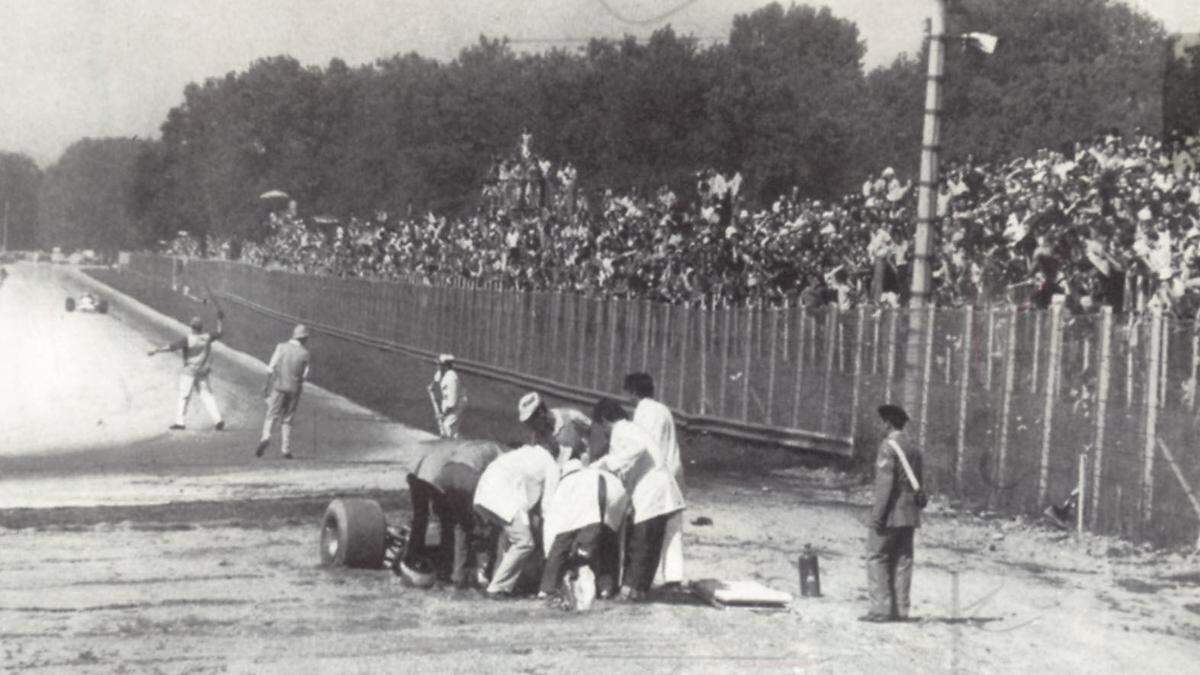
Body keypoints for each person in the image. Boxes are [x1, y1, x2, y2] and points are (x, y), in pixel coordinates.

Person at [590, 397, 685, 602]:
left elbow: (638, 449)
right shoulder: (631, 429)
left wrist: (609, 463)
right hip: (657, 490)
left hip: (652, 491)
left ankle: (631, 591)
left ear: (605, 420)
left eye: (601, 427)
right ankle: (639, 590)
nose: (604, 433)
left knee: (641, 541)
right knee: (650, 542)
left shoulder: (621, 430)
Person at [472, 392, 560, 598]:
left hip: (485, 490)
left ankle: (501, 582)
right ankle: (497, 588)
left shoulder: (527, 453)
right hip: (502, 495)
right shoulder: (551, 465)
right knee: (525, 542)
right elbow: (548, 508)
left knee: (513, 539)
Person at [405, 440, 503, 587]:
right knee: (451, 522)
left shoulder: (459, 445)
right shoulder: (496, 451)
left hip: (420, 473)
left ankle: (413, 557)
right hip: (438, 475)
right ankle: (449, 566)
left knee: (421, 516)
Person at [862, 404, 925, 622]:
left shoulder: (888, 446)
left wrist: (877, 516)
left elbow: (885, 485)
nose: (880, 426)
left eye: (881, 422)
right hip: (910, 514)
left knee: (877, 556)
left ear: (888, 423)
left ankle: (880, 609)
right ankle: (901, 610)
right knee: (903, 559)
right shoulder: (914, 447)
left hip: (891, 513)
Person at [624, 372, 686, 588]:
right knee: (673, 528)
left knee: (646, 529)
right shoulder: (664, 410)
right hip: (673, 469)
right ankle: (673, 577)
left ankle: (639, 581)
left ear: (632, 392)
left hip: (655, 474)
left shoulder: (643, 412)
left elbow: (641, 448)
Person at [538, 458, 628, 603]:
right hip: (615, 489)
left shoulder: (567, 482)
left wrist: (548, 555)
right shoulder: (596, 472)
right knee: (608, 541)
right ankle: (606, 588)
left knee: (563, 539)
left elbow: (552, 525)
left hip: (590, 492)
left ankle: (547, 589)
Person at [148, 311, 225, 431]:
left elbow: (171, 347)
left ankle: (180, 422)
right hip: (202, 372)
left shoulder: (188, 339)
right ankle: (218, 420)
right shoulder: (207, 337)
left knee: (183, 396)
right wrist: (220, 320)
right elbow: (220, 333)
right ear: (201, 327)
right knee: (207, 396)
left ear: (191, 327)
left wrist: (156, 350)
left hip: (188, 372)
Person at [256, 324, 312, 459]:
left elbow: (270, 368)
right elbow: (304, 376)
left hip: (279, 386)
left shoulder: (281, 347)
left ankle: (266, 436)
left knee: (271, 414)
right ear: (304, 338)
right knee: (287, 419)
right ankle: (285, 449)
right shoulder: (306, 354)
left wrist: (266, 385)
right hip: (294, 389)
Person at [520, 392, 592, 466]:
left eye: (531, 421)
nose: (531, 426)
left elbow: (598, 434)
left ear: (541, 412)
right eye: (528, 423)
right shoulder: (537, 436)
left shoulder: (572, 417)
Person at [429, 354, 466, 438]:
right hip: (448, 402)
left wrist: (442, 415)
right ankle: (454, 440)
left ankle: (451, 443)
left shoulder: (451, 379)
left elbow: (452, 403)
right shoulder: (442, 372)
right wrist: (432, 385)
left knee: (447, 425)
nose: (437, 366)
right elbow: (436, 378)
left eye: (439, 364)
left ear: (445, 366)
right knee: (449, 427)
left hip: (457, 404)